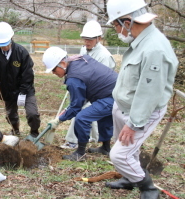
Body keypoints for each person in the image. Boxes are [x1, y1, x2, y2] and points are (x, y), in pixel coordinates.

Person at [105, 0, 179, 198]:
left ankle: (148, 187)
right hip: (125, 105)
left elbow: (149, 92)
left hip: (141, 112)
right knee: (129, 149)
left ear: (128, 21)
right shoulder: (140, 41)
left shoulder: (154, 49)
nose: (117, 30)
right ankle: (129, 179)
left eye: (116, 25)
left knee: (119, 155)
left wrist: (135, 123)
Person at [43, 47, 117, 161]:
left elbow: (76, 106)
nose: (53, 73)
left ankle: (80, 152)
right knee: (104, 118)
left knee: (82, 118)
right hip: (114, 91)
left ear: (62, 63)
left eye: (53, 69)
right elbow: (80, 98)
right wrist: (67, 110)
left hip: (111, 96)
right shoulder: (79, 60)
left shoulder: (74, 78)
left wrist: (59, 119)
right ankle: (106, 148)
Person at [61, 20, 116, 151]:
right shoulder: (83, 50)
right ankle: (102, 145)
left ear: (99, 38)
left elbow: (104, 79)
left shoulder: (105, 56)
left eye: (90, 39)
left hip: (103, 91)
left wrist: (63, 116)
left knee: (82, 115)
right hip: (90, 91)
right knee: (93, 114)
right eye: (85, 39)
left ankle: (77, 145)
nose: (87, 42)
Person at [0, 22, 41, 137]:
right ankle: (15, 129)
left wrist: (23, 92)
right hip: (6, 89)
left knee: (33, 113)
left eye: (6, 44)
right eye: (1, 45)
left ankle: (34, 132)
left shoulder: (21, 52)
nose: (4, 47)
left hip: (25, 89)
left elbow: (28, 74)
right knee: (11, 114)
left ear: (11, 38)